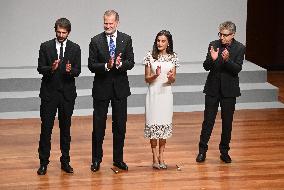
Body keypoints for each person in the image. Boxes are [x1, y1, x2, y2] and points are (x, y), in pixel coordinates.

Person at [88, 10, 135, 172]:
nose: (107, 26)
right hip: (101, 89)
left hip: (120, 90)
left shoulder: (126, 39)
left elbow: (131, 62)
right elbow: (91, 65)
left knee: (120, 126)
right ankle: (96, 160)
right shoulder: (95, 41)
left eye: (110, 23)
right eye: (105, 23)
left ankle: (118, 159)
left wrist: (121, 64)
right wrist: (106, 66)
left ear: (117, 23)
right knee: (98, 126)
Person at [196, 21, 245, 163]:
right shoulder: (214, 44)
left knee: (227, 123)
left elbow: (237, 69)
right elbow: (206, 66)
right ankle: (202, 151)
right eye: (220, 34)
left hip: (229, 91)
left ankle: (224, 152)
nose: (222, 38)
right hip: (213, 88)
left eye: (225, 35)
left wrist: (227, 60)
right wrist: (212, 59)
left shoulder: (240, 48)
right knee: (208, 121)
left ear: (233, 34)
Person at [37, 18, 81, 175]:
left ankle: (65, 161)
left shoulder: (75, 48)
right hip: (49, 94)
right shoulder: (45, 46)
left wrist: (70, 70)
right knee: (46, 130)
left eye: (64, 32)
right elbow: (40, 68)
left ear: (69, 32)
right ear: (55, 30)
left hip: (67, 96)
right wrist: (51, 68)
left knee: (65, 130)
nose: (61, 35)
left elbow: (78, 71)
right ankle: (43, 163)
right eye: (58, 32)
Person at [143, 30, 179, 169]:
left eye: (163, 41)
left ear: (168, 42)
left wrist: (170, 77)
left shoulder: (173, 57)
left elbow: (173, 79)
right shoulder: (150, 56)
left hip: (166, 95)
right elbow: (147, 79)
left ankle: (162, 157)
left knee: (163, 126)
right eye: (158, 40)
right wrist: (155, 75)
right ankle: (154, 158)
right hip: (153, 94)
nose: (160, 43)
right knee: (153, 125)